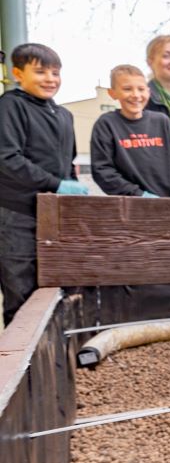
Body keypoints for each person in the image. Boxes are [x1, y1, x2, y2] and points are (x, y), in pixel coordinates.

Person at [0, 43, 86, 325]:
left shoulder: (64, 115)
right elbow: (7, 158)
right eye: (40, 71)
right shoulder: (10, 105)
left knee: (57, 289)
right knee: (21, 293)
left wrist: (70, 186)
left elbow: (68, 162)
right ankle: (22, 365)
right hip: (16, 215)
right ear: (17, 74)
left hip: (54, 215)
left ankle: (55, 360)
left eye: (55, 72)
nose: (50, 79)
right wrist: (54, 183)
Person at [90, 64, 170, 198]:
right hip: (129, 207)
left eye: (141, 89)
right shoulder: (106, 125)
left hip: (169, 204)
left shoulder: (162, 122)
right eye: (127, 89)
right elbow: (102, 171)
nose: (136, 95)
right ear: (112, 93)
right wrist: (138, 195)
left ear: (148, 92)